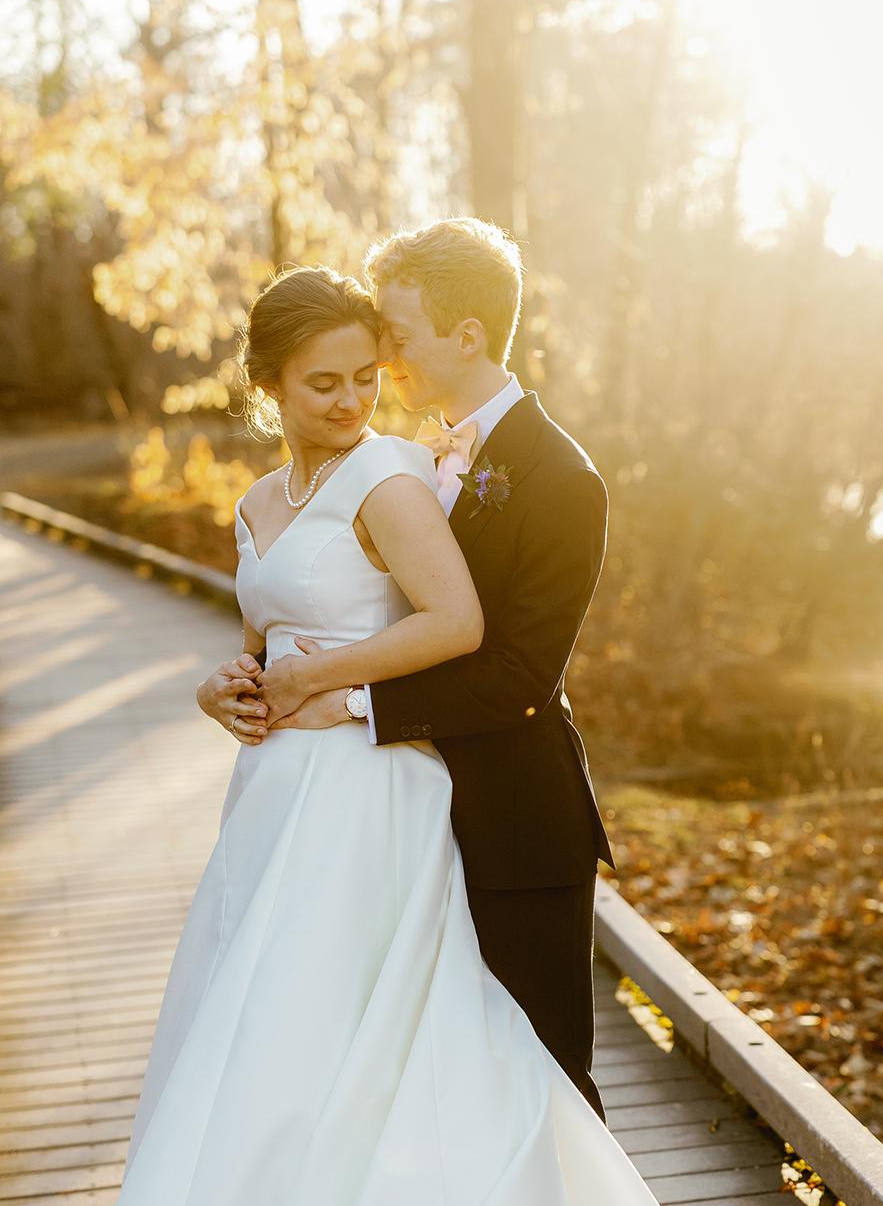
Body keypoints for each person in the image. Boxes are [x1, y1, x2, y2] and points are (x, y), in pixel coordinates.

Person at [19, 259, 883, 1206]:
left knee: (389, 1070)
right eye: (324, 379)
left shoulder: (398, 478)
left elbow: (472, 637)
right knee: (255, 1070)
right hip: (278, 808)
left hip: (373, 800)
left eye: (367, 369)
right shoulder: (262, 496)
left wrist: (318, 689)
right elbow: (267, 628)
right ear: (265, 385)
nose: (352, 396)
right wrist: (232, 683)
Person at [200, 218, 613, 1121]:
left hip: (511, 818)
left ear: (465, 336)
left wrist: (345, 698)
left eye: (396, 333)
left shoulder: (558, 478)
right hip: (396, 812)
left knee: (541, 1084)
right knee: (417, 1084)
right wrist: (236, 680)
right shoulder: (411, 459)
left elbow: (517, 677)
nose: (382, 359)